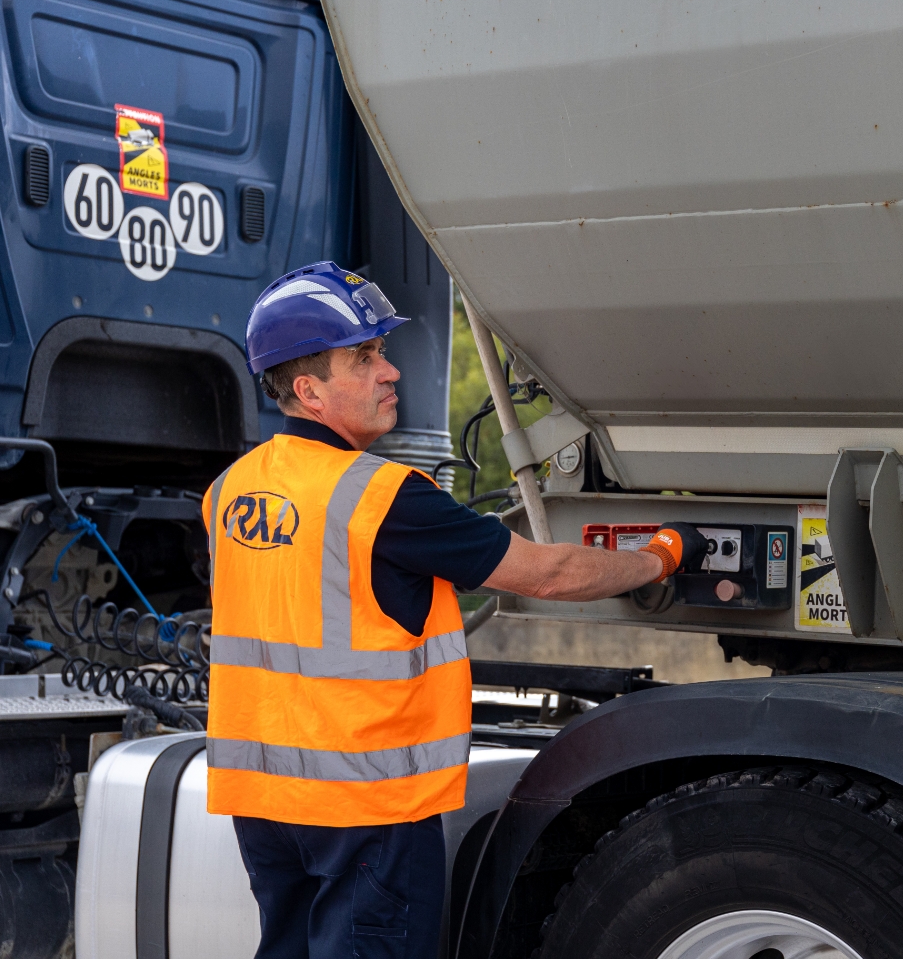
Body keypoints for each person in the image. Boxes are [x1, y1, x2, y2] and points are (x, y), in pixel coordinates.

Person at [201, 262, 705, 959]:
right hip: (366, 808)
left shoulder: (230, 490)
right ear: (309, 390)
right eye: (364, 357)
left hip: (263, 804)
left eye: (382, 351)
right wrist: (660, 557)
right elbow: (550, 573)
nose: (391, 372)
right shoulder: (382, 496)